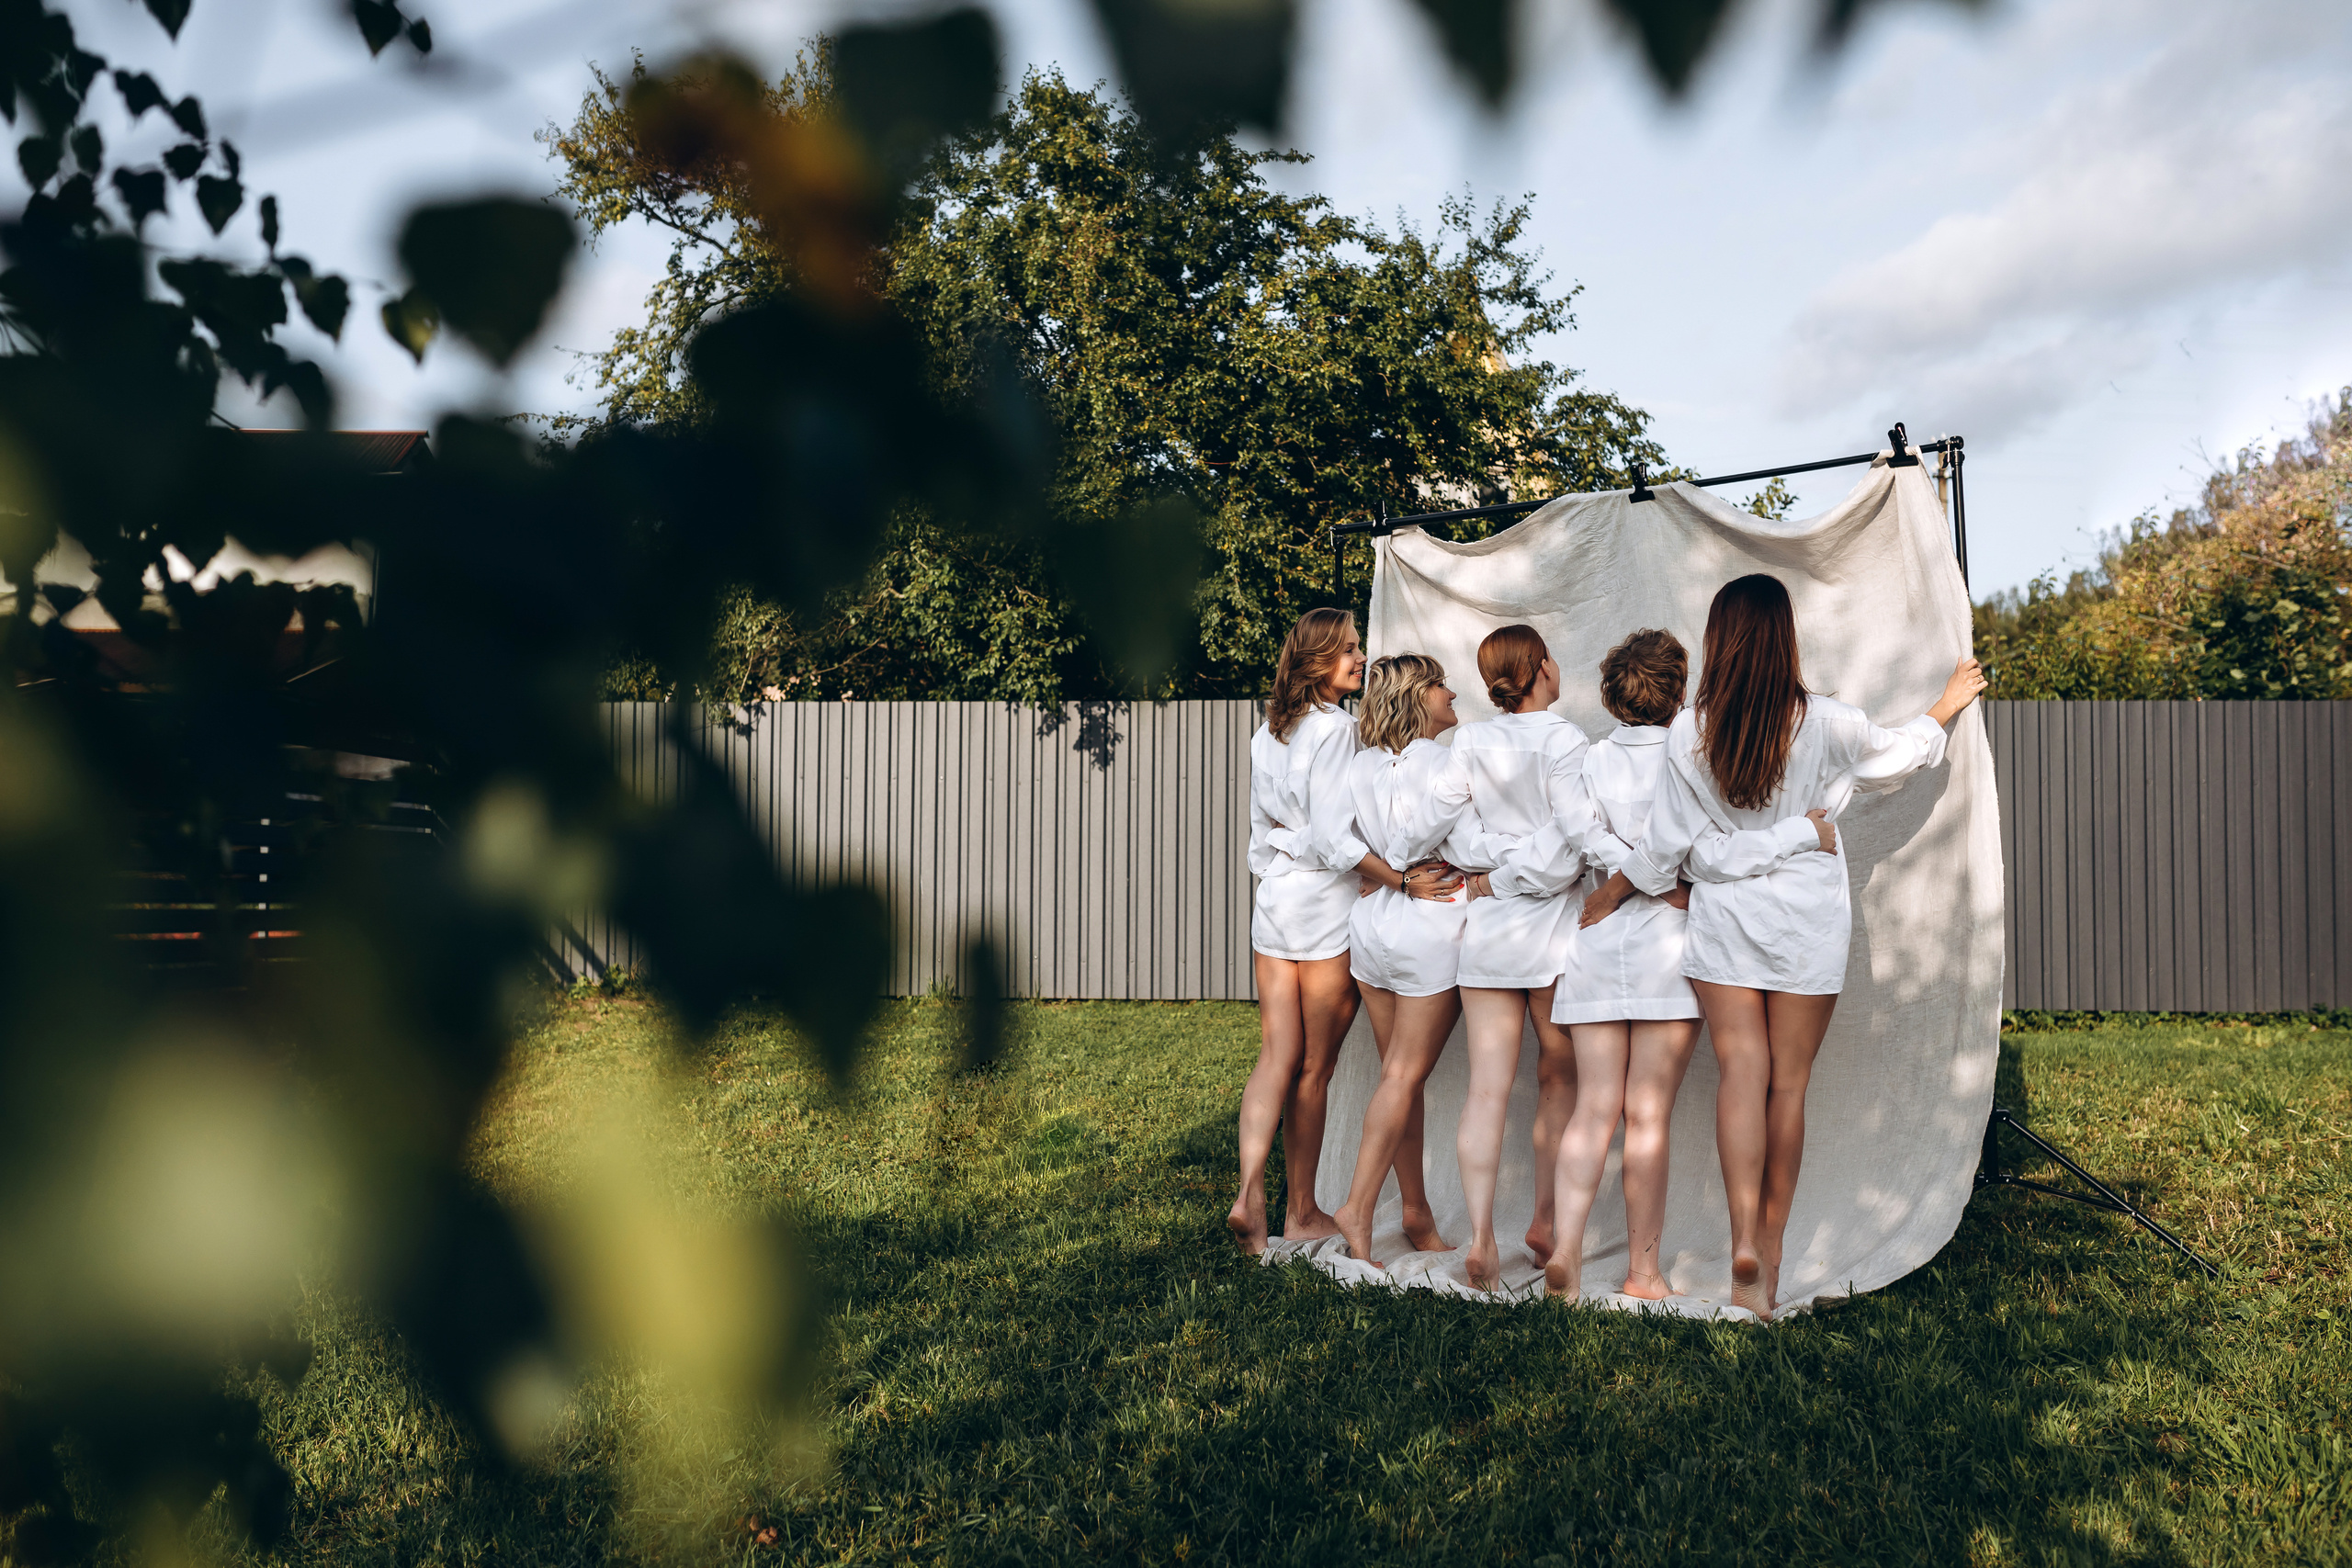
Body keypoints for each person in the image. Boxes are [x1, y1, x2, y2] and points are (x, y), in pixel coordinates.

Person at [1633, 574, 1986, 1318]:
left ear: (1718, 639)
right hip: (1806, 924)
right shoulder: (1829, 722)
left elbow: (1667, 848)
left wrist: (1707, 862)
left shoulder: (1686, 732)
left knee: (1740, 1078)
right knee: (1786, 1088)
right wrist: (1943, 706)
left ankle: (1740, 1242)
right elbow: (1898, 758)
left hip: (1726, 922)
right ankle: (1771, 1249)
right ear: (1785, 635)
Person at [1394, 625, 1595, 1291]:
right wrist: (1514, 864)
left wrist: (1486, 866)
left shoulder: (1470, 741)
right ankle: (1545, 1222)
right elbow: (1571, 848)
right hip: (1551, 932)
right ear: (1541, 667)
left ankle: (1481, 1237)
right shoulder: (1566, 740)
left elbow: (1428, 826)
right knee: (1559, 1077)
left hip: (1486, 932)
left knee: (1486, 1087)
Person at [1230, 608, 1419, 1254]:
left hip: (1274, 902)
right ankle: (1302, 1209)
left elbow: (1261, 843)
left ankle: (1251, 1192)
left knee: (1275, 1055)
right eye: (1348, 650)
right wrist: (1397, 878)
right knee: (1314, 1066)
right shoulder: (1338, 731)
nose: (1360, 658)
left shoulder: (1267, 736)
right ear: (1316, 662)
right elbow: (1339, 839)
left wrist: (1292, 844)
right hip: (1325, 909)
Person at [1542, 629, 1702, 1302]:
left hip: (1599, 939)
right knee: (1648, 1115)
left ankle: (1568, 1249)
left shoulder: (1589, 761)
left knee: (1592, 1107)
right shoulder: (1694, 757)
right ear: (1679, 692)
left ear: (1610, 697)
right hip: (1671, 941)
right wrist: (1658, 881)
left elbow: (1581, 835)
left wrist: (1621, 876)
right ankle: (1643, 1271)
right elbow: (1692, 840)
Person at [1329, 654, 1487, 1267]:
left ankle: (1416, 1210)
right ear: (1417, 696)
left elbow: (1336, 841)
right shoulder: (1449, 762)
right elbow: (1469, 843)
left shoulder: (1360, 766)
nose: (1453, 693)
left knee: (1402, 1079)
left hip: (1370, 931)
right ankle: (1359, 1207)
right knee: (1402, 1077)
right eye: (1441, 683)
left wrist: (1389, 876)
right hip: (1430, 931)